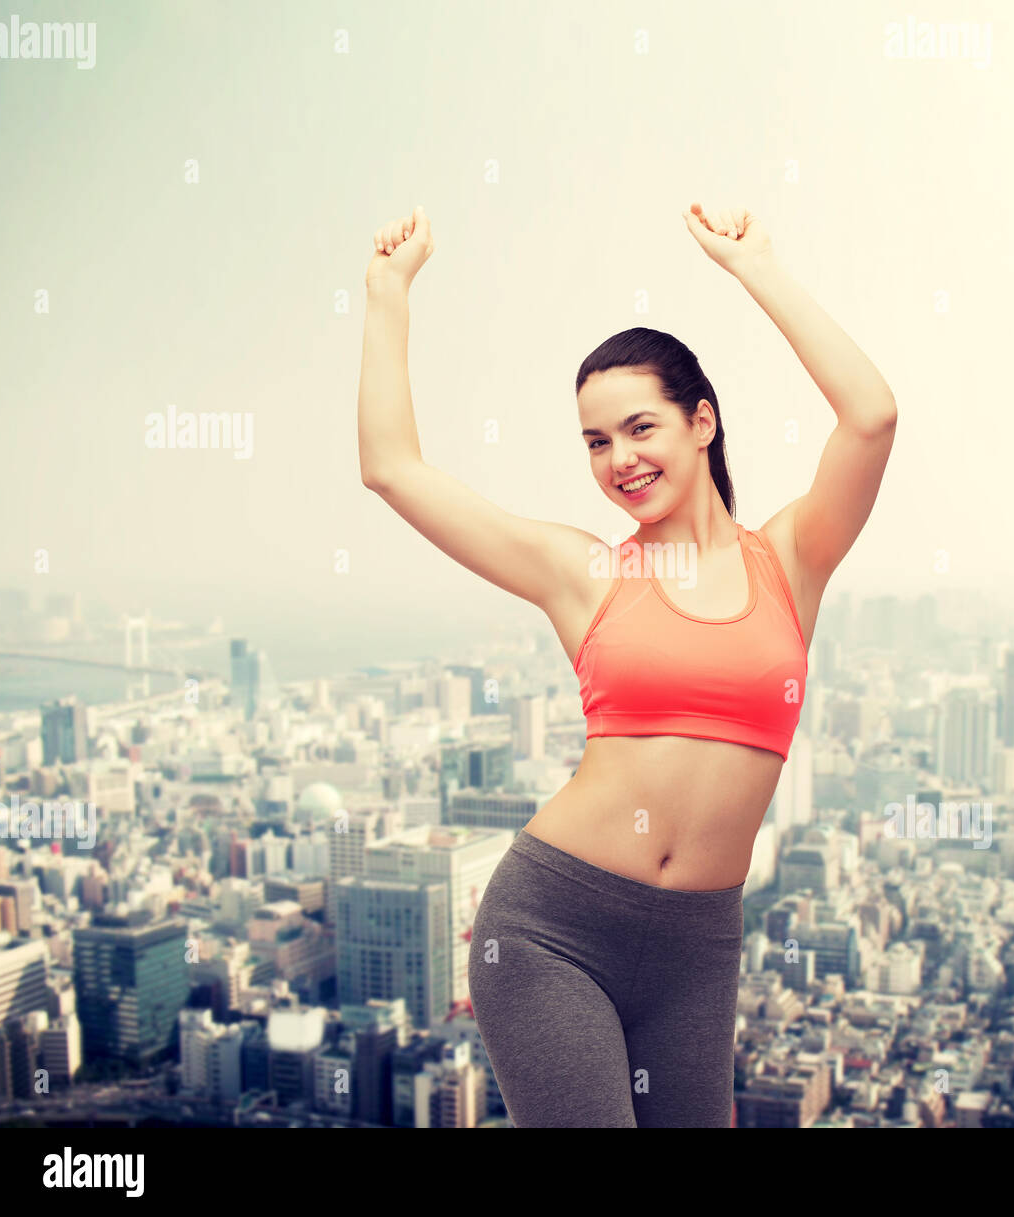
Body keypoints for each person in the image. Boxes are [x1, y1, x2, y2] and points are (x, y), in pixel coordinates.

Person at [356, 201, 897, 1127]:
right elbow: (393, 469)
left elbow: (872, 415)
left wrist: (756, 267)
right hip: (550, 930)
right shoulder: (586, 572)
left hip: (698, 950)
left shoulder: (792, 560)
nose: (618, 459)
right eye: (596, 441)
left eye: (639, 428)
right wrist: (387, 293)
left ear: (702, 422)